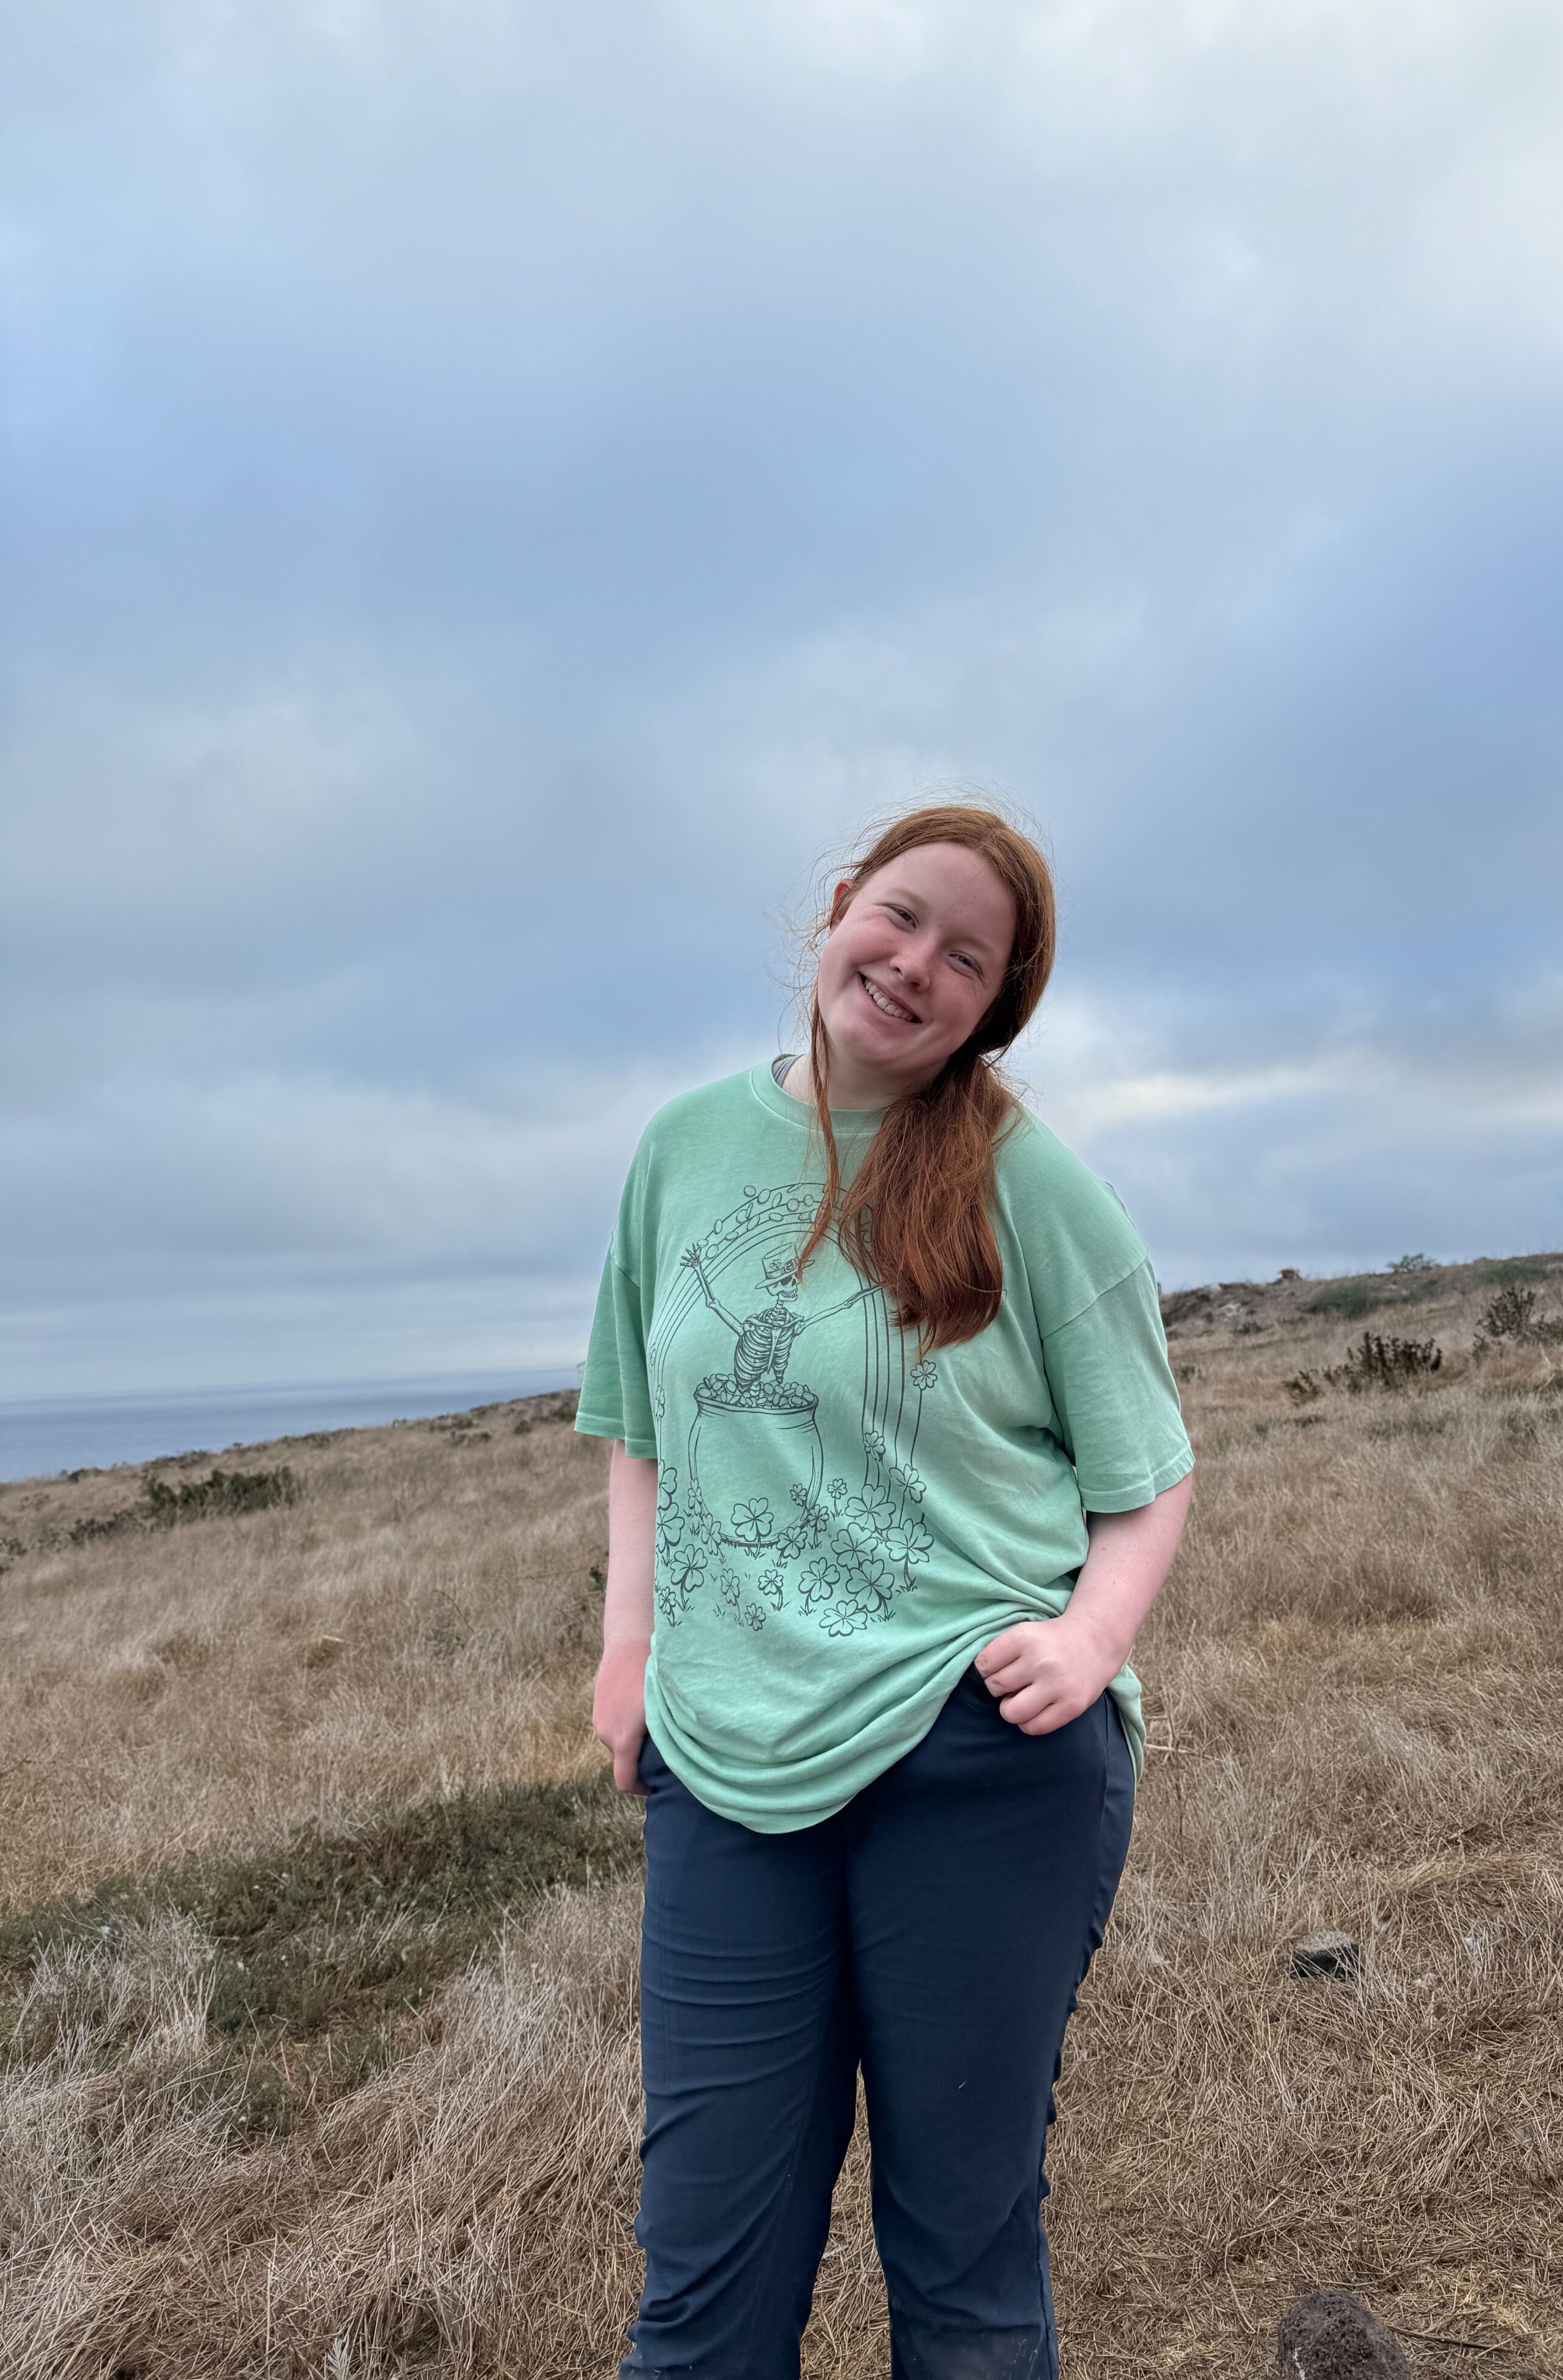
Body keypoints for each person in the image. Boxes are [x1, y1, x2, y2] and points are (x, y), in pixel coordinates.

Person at [577, 804, 1194, 2380]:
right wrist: (628, 1654)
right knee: (702, 2294)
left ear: (992, 1010)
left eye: (966, 959)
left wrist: (1090, 1639)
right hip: (722, 1757)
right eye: (902, 920)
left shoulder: (1028, 1181)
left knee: (961, 2266)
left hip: (975, 1754)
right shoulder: (680, 1151)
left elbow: (1148, 1472)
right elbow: (642, 1432)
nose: (916, 967)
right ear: (841, 908)